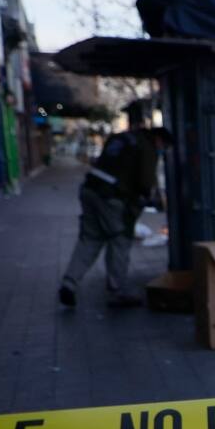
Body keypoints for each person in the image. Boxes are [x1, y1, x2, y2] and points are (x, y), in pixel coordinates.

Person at [57, 127, 172, 308]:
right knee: (120, 240)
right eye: (163, 147)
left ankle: (69, 283)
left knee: (90, 239)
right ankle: (117, 290)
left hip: (90, 188)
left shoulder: (122, 137)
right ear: (159, 140)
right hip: (111, 196)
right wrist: (148, 199)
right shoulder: (147, 146)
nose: (162, 150)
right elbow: (145, 181)